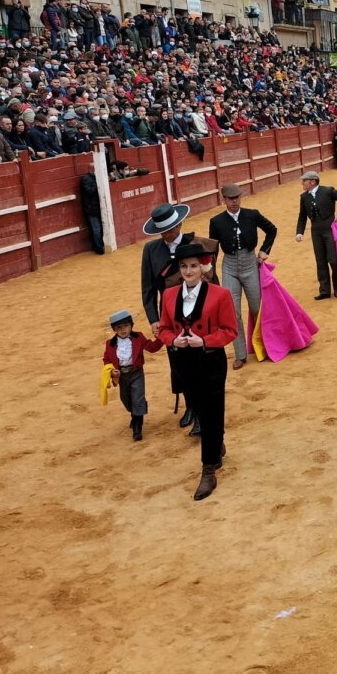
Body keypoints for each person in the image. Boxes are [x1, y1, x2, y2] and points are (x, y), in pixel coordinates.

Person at [158, 243, 238, 500]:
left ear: (203, 268)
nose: (189, 271)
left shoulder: (220, 294)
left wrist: (204, 341)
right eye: (184, 266)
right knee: (200, 408)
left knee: (212, 411)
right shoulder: (169, 295)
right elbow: (164, 329)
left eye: (193, 266)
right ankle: (217, 443)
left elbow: (230, 331)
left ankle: (208, 469)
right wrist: (174, 341)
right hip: (183, 361)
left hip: (211, 360)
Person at [140, 202, 218, 433]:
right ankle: (190, 406)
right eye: (162, 231)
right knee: (179, 364)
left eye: (170, 229)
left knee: (201, 362)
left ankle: (203, 412)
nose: (166, 234)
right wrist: (154, 318)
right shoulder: (151, 250)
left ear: (180, 223)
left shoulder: (197, 245)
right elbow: (147, 288)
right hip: (170, 317)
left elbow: (214, 283)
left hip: (198, 313)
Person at [208, 183, 277, 369]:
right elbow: (212, 249)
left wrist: (264, 250)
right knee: (234, 312)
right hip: (229, 267)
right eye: (231, 199)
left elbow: (272, 230)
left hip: (250, 263)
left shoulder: (252, 214)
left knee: (257, 308)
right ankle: (240, 354)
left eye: (237, 198)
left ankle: (265, 347)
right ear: (224, 200)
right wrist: (209, 269)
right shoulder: (216, 221)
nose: (234, 202)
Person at [101, 310, 163, 441]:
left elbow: (151, 347)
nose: (123, 330)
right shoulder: (110, 344)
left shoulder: (138, 337)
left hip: (136, 373)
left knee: (138, 399)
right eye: (119, 327)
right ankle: (135, 416)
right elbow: (107, 360)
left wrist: (162, 337)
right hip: (122, 376)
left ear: (131, 325)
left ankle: (137, 427)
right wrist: (112, 371)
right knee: (126, 399)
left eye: (126, 326)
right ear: (114, 329)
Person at [294, 171, 337, 300]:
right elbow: (302, 216)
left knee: (333, 260)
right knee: (320, 261)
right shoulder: (304, 197)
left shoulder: (328, 191)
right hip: (316, 231)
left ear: (312, 182)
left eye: (304, 181)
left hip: (330, 229)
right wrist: (299, 232)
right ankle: (324, 290)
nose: (302, 183)